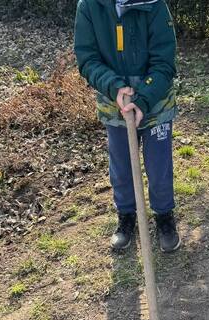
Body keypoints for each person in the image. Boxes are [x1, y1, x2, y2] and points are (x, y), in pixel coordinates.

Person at [74, 0, 180, 252]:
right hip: (115, 104)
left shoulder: (154, 5)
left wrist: (142, 99)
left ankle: (164, 216)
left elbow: (164, 62)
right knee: (121, 166)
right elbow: (87, 58)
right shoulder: (89, 6)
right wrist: (115, 86)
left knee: (159, 166)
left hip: (155, 102)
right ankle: (126, 216)